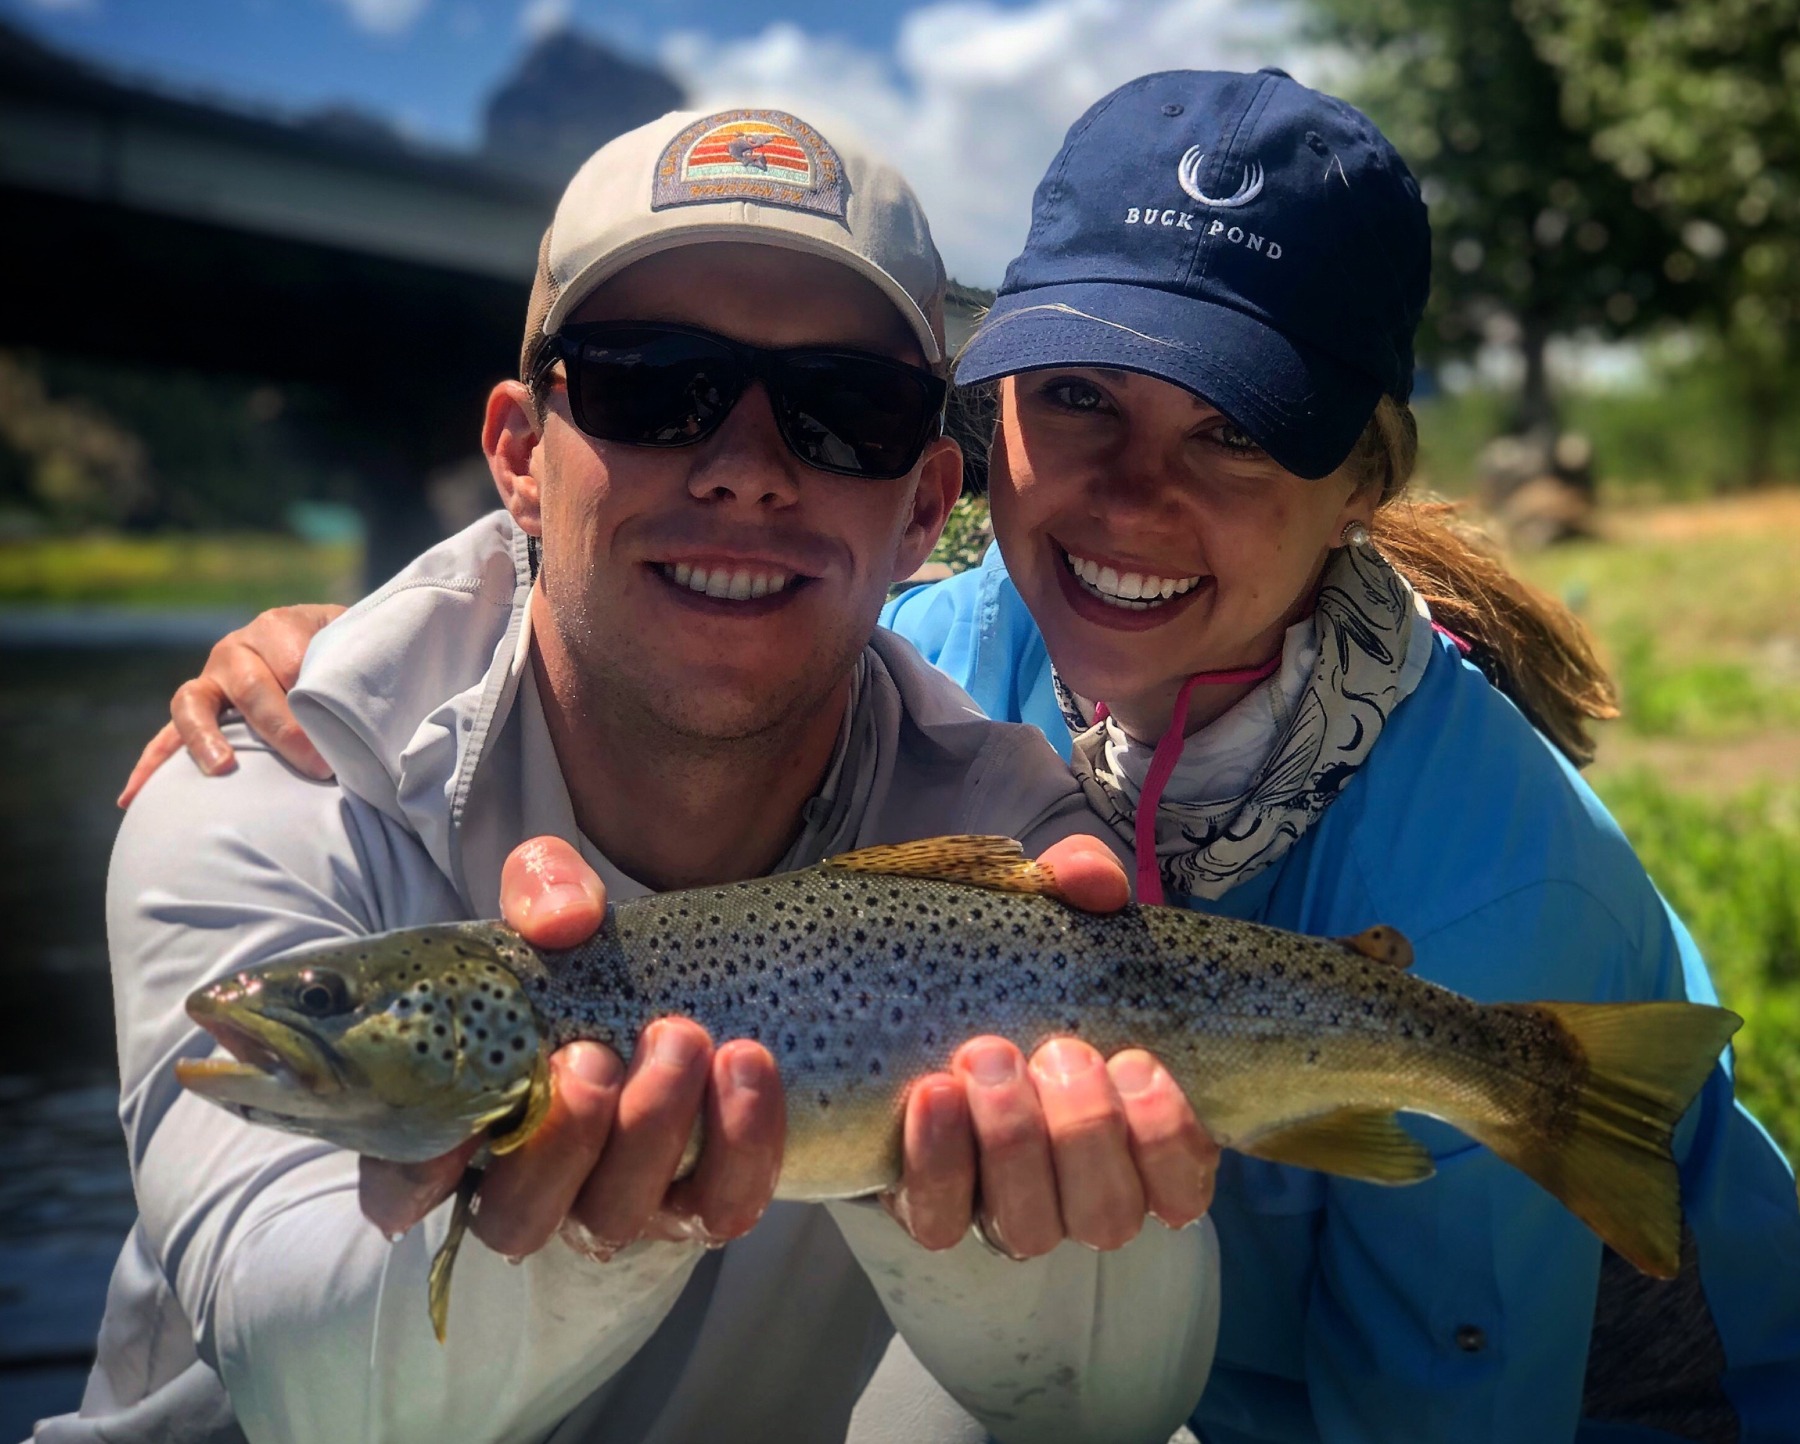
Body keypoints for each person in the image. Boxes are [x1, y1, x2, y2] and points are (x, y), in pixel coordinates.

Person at [126, 71, 1800, 1442]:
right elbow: (679, 607)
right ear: (975, 456)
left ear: (1363, 479)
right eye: (1078, 399)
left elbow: (1445, 1390)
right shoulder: (930, 656)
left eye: (1233, 427)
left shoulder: (1497, 878)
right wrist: (348, 656)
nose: (1135, 497)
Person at [55, 107, 1228, 1444]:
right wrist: (584, 1237)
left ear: (921, 506)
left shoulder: (1017, 854)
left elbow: (1121, 1404)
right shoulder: (268, 783)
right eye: (647, 383)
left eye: (844, 409)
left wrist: (995, 1231)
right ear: (516, 454)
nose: (744, 472)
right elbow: (308, 1396)